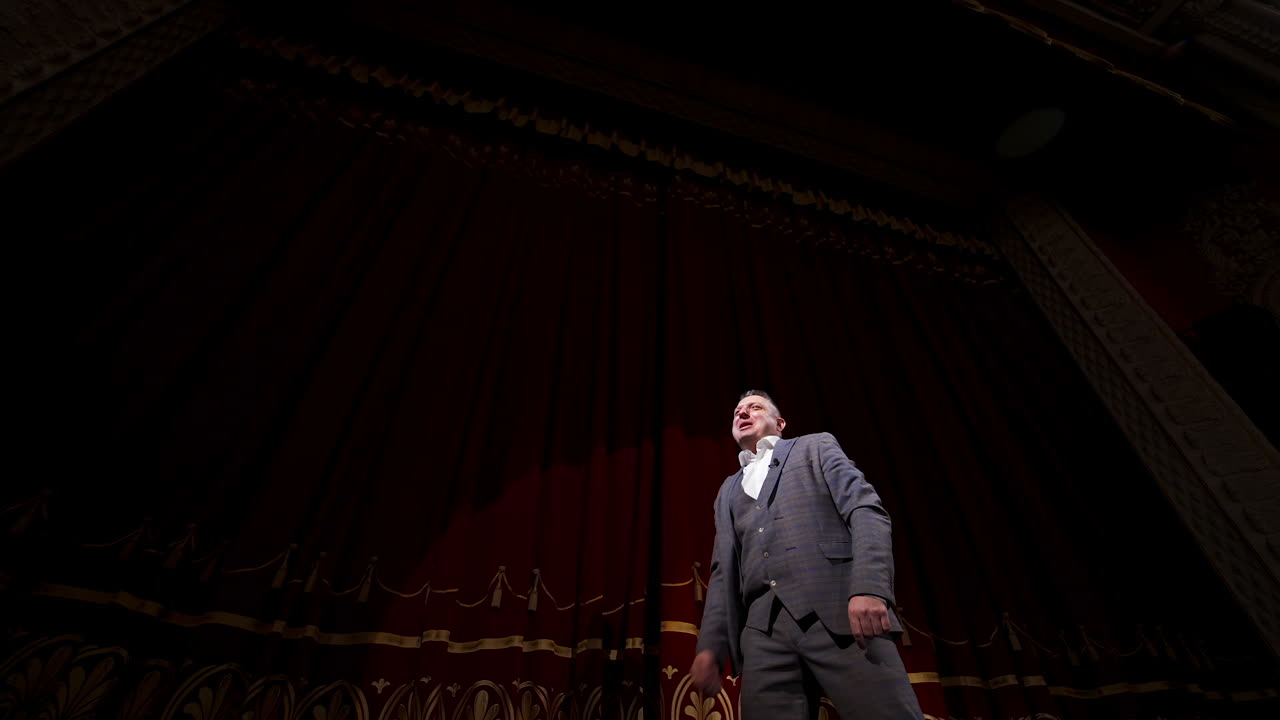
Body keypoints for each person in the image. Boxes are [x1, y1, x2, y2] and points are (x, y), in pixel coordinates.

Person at [690, 391, 922, 719]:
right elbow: (723, 572)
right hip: (762, 636)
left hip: (841, 611)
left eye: (754, 408)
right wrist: (711, 647)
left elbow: (866, 510)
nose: (743, 414)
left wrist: (869, 586)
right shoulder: (727, 490)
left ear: (780, 423)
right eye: (737, 411)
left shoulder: (814, 446)